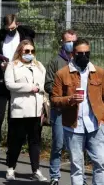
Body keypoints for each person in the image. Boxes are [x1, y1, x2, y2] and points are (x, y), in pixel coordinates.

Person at [52, 38, 104, 185]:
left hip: (95, 125)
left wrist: (102, 117)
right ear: (73, 54)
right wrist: (70, 99)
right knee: (76, 166)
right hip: (73, 126)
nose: (84, 57)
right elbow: (55, 99)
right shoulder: (62, 74)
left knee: (100, 162)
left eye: (87, 53)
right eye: (80, 53)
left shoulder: (99, 72)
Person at [0, 14, 35, 166]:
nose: (10, 30)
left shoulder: (23, 34)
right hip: (2, 79)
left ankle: (10, 153)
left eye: (13, 27)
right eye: (8, 28)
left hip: (18, 80)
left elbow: (31, 43)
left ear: (17, 24)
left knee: (13, 119)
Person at [4, 40, 47, 181]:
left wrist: (39, 90)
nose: (30, 54)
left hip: (36, 109)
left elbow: (43, 84)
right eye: (26, 51)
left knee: (35, 142)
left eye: (32, 51)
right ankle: (11, 168)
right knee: (17, 140)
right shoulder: (13, 66)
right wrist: (29, 87)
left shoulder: (39, 66)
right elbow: (9, 84)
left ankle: (36, 170)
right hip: (20, 109)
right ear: (20, 51)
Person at [45, 30, 80, 185]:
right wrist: (64, 93)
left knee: (76, 146)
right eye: (68, 41)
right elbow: (48, 84)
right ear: (62, 42)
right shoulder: (56, 62)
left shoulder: (81, 61)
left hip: (77, 110)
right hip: (59, 110)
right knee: (58, 144)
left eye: (73, 41)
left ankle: (79, 178)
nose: (70, 44)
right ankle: (54, 176)